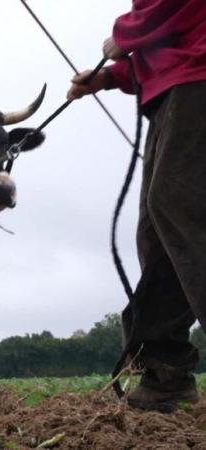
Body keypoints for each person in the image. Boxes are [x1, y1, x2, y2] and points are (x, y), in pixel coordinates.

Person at [67, 1, 206, 412]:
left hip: (199, 81)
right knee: (155, 228)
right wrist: (109, 77)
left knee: (176, 205)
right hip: (173, 92)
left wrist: (125, 35)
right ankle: (166, 372)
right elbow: (163, 47)